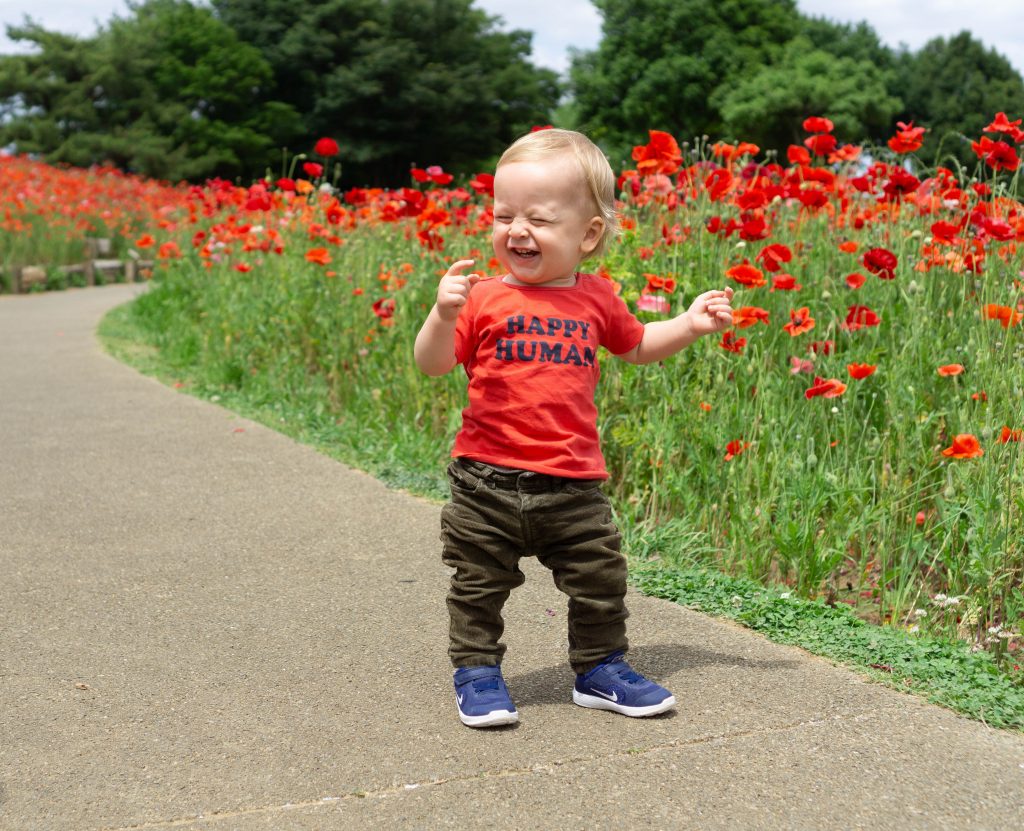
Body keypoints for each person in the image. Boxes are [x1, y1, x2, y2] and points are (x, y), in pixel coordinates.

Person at [414, 128, 733, 728]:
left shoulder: (597, 298)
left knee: (600, 579)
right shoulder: (481, 298)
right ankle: (478, 672)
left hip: (573, 482)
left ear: (588, 235)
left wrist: (688, 324)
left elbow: (637, 345)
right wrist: (441, 313)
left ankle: (599, 668)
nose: (516, 230)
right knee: (479, 583)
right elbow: (432, 364)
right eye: (503, 214)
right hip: (485, 482)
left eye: (538, 218)